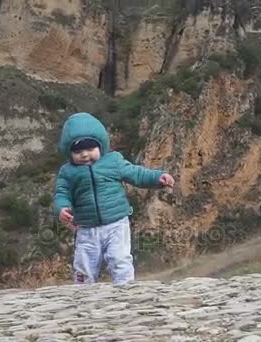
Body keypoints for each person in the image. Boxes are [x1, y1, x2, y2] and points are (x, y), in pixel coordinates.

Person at [53, 112, 175, 285]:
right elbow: (62, 194)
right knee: (84, 266)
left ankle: (125, 290)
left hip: (116, 223)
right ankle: (83, 297)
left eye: (90, 149)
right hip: (87, 228)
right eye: (78, 151)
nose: (85, 155)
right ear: (69, 151)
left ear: (101, 146)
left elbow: (136, 174)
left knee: (119, 258)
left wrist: (157, 178)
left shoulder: (113, 161)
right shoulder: (67, 172)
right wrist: (62, 208)